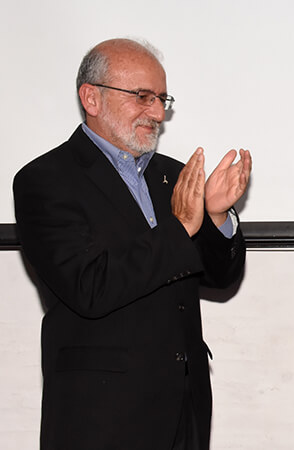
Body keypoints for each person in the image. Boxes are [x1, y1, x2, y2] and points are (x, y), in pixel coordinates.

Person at [13, 38, 251, 450]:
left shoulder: (173, 176)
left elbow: (219, 276)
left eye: (162, 98)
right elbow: (90, 287)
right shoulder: (45, 180)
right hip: (102, 416)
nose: (158, 113)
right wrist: (180, 228)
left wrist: (214, 218)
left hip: (185, 409)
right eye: (142, 97)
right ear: (92, 97)